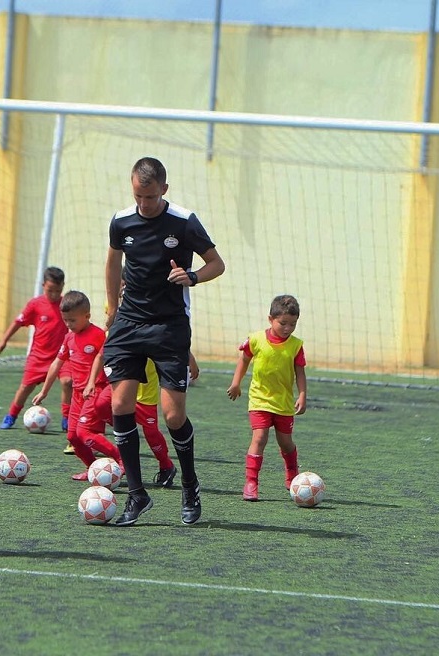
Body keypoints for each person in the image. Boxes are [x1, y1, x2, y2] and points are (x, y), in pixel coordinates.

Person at [103, 156, 225, 526]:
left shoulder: (184, 221)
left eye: (151, 197)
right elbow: (112, 261)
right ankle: (137, 495)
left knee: (173, 415)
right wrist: (111, 307)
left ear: (164, 190)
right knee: (120, 404)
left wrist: (192, 276)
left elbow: (216, 263)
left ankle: (190, 484)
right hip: (128, 323)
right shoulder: (121, 220)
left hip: (170, 325)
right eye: (139, 196)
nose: (144, 204)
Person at [32, 290, 122, 479]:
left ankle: (121, 460)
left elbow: (102, 357)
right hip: (77, 395)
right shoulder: (69, 337)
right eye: (65, 320)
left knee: (85, 433)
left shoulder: (98, 335)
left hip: (95, 390)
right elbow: (57, 363)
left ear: (87, 316)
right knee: (73, 437)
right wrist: (44, 391)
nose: (68, 325)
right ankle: (93, 469)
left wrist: (91, 383)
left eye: (72, 320)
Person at [227, 295, 307, 501]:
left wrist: (303, 395)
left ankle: (292, 475)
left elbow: (300, 372)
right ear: (270, 319)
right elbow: (243, 360)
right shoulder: (255, 339)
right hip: (259, 399)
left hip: (283, 402)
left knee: (286, 442)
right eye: (283, 323)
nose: (288, 328)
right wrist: (236, 383)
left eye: (293, 324)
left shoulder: (296, 345)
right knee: (259, 438)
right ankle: (251, 482)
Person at [0, 266, 74, 434]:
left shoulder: (66, 304)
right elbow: (18, 322)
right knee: (25, 388)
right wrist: (4, 340)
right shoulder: (35, 304)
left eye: (57, 290)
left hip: (61, 356)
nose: (53, 294)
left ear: (63, 287)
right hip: (38, 357)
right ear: (43, 284)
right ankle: (11, 415)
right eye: (50, 290)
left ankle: (67, 418)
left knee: (68, 382)